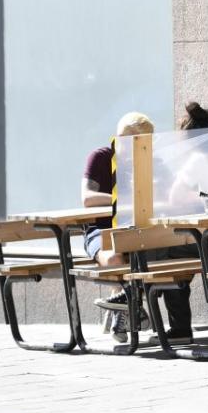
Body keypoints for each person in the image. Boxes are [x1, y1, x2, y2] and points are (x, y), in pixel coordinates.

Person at [83, 112, 156, 341]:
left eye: (147, 141)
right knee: (116, 259)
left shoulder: (151, 161)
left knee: (150, 253)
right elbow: (87, 198)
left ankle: (124, 311)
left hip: (136, 230)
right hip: (100, 231)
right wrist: (123, 197)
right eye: (138, 141)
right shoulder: (101, 157)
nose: (144, 147)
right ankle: (132, 308)